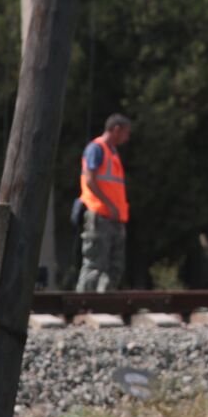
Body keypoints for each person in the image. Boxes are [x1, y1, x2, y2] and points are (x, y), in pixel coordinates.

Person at [76, 113, 131, 292]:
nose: (127, 137)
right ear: (116, 130)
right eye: (125, 133)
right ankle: (82, 304)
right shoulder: (96, 149)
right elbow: (90, 181)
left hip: (114, 217)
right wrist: (109, 204)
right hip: (99, 215)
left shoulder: (112, 153)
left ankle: (104, 304)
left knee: (114, 267)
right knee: (94, 265)